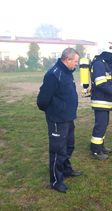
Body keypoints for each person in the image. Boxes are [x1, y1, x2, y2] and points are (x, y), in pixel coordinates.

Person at [37, 48, 81, 193]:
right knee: (57, 151)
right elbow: (42, 101)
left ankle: (66, 170)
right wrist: (55, 111)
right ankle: (56, 181)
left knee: (69, 146)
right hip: (57, 119)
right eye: (75, 61)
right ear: (67, 60)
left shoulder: (67, 73)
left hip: (68, 118)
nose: (76, 64)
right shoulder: (53, 75)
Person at [89, 43, 112, 160]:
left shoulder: (106, 64)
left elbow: (109, 82)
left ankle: (101, 146)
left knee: (104, 125)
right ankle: (95, 151)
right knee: (100, 126)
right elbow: (100, 83)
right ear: (108, 52)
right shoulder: (99, 64)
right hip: (100, 101)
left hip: (105, 101)